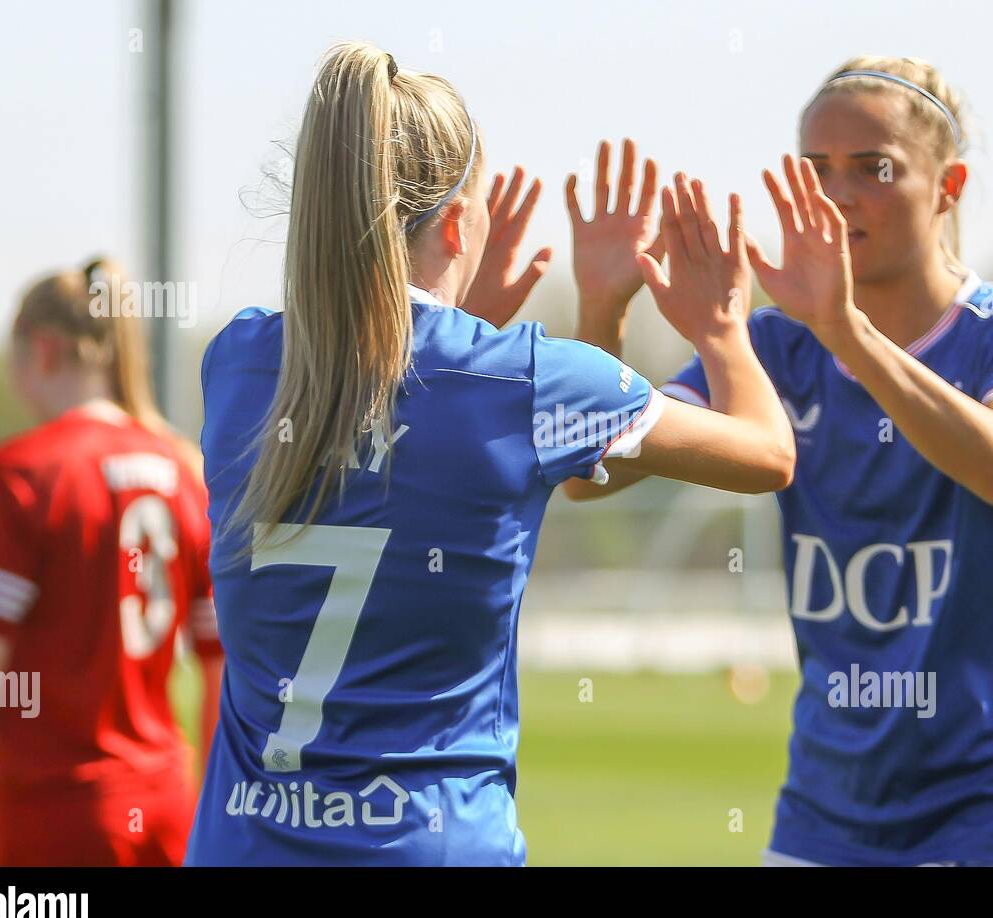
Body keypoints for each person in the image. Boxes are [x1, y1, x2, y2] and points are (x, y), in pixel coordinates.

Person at [183, 41, 793, 866]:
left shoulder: (238, 364)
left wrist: (478, 334)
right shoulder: (529, 382)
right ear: (463, 223)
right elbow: (766, 454)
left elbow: (385, 411)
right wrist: (722, 330)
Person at [567, 56, 993, 866]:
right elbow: (589, 474)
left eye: (873, 169)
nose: (839, 193)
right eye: (816, 171)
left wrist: (846, 330)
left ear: (947, 187)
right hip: (826, 816)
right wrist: (603, 309)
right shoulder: (774, 349)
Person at [0, 258, 222, 866]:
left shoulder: (19, 474)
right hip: (169, 806)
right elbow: (220, 663)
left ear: (41, 351)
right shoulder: (184, 473)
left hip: (59, 816)